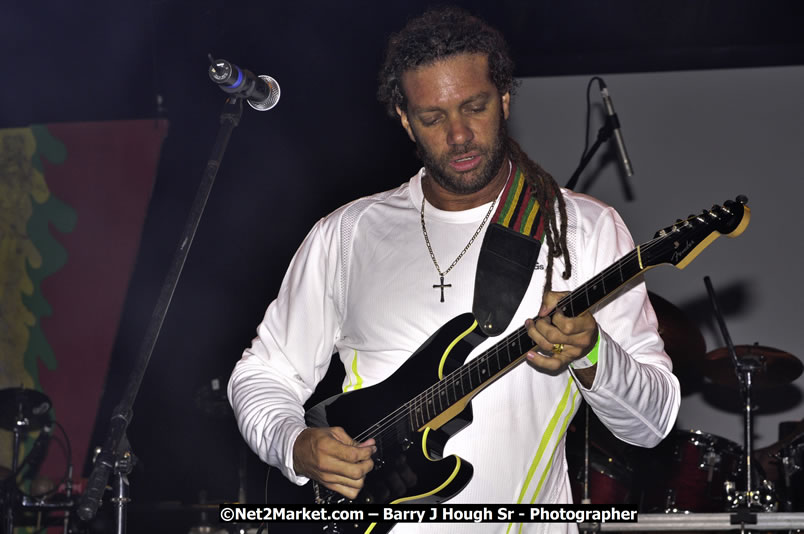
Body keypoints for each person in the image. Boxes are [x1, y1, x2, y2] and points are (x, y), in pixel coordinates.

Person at [228, 6, 680, 532]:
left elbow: (654, 423)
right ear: (404, 119)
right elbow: (262, 374)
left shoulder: (580, 229)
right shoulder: (347, 234)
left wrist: (594, 353)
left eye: (476, 106)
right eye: (433, 117)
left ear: (506, 99)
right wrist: (296, 443)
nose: (460, 135)